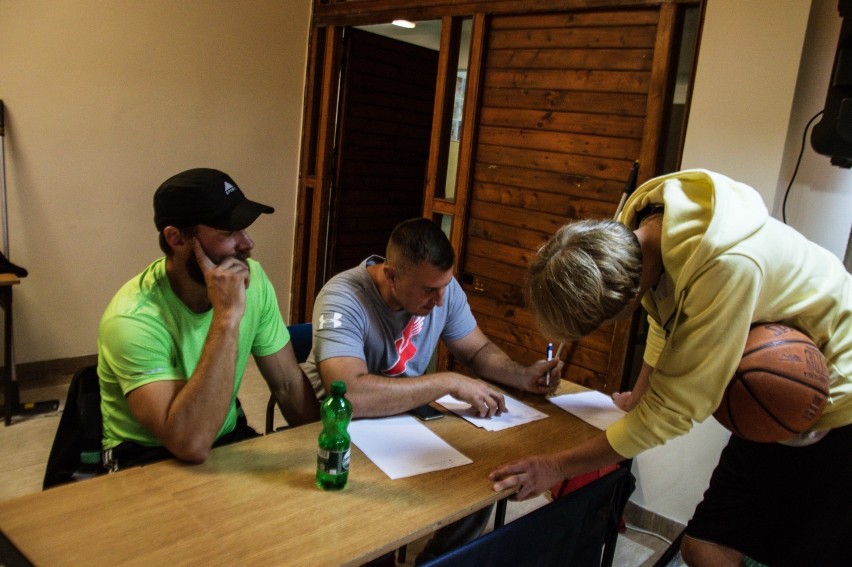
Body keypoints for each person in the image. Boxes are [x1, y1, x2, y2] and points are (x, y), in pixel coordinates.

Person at [489, 169, 852, 566]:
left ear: (627, 299)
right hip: (775, 394)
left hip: (836, 393)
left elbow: (673, 413)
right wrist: (639, 394)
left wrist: (555, 466)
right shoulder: (642, 232)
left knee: (800, 552)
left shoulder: (725, 268)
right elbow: (663, 317)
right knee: (703, 546)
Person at [302, 217, 563, 564]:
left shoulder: (443, 288)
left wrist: (522, 374)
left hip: (404, 417)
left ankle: (437, 560)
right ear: (392, 275)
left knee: (480, 478)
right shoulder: (342, 297)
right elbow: (350, 395)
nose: (441, 300)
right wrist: (446, 381)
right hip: (336, 428)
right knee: (370, 533)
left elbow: (477, 351)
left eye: (445, 286)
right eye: (429, 290)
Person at [98, 168, 320, 471]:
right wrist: (226, 318)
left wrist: (329, 444)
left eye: (243, 228)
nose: (248, 243)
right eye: (228, 233)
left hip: (223, 437)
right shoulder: (132, 319)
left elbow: (288, 385)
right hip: (147, 456)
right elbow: (189, 443)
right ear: (176, 238)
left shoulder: (254, 283)